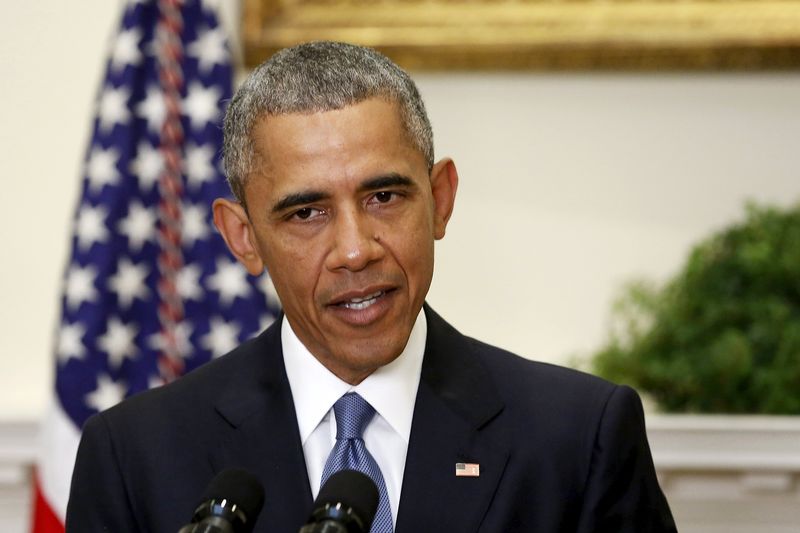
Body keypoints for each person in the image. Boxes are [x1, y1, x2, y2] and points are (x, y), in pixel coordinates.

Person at [66, 41, 676, 532]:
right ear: (242, 237)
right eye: (306, 213)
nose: (356, 250)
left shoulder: (576, 436)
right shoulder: (133, 457)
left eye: (383, 197)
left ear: (440, 201)